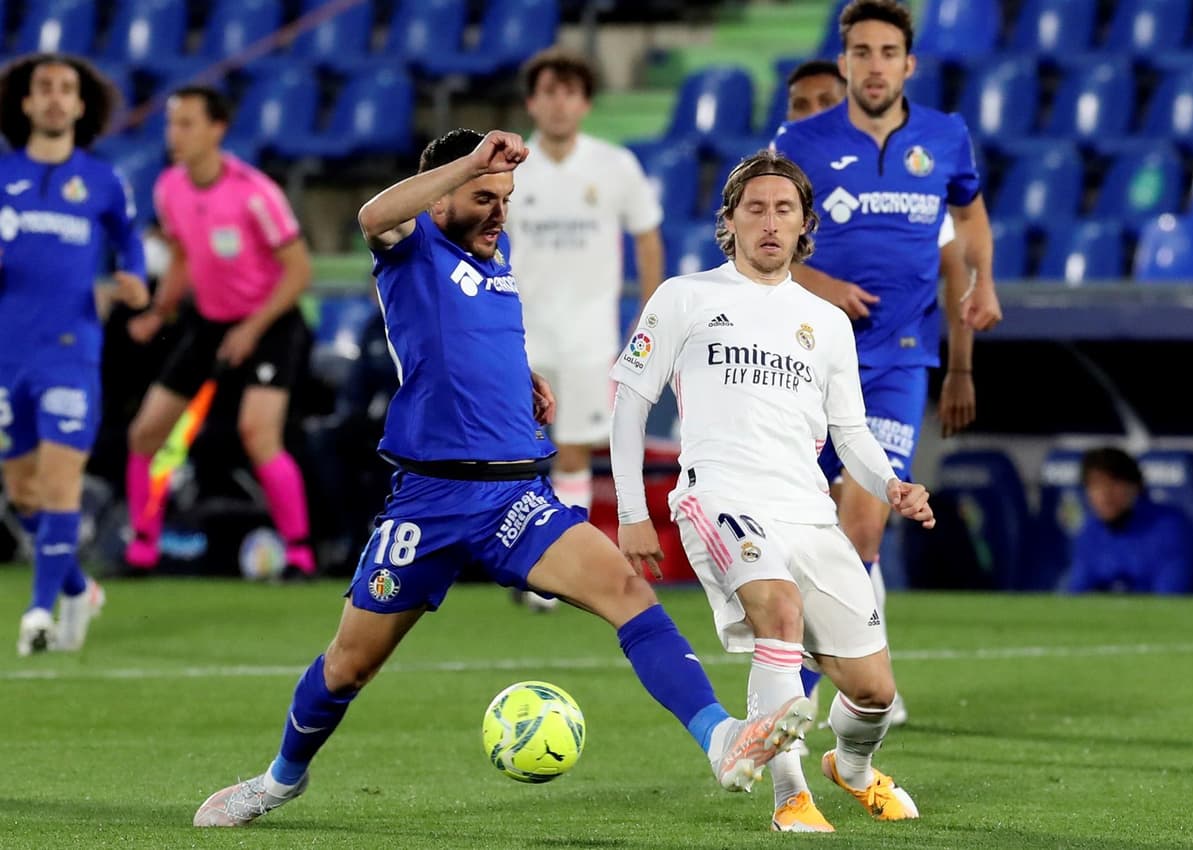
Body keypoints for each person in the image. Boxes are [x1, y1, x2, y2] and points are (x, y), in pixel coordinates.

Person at [191, 129, 815, 828]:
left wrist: (522, 379)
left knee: (626, 589)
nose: (498, 213)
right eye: (483, 197)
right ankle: (278, 781)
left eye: (506, 199)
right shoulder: (411, 247)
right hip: (428, 502)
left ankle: (721, 737)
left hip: (514, 495)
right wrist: (467, 165)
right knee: (348, 666)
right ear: (441, 195)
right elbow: (373, 217)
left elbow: (470, 334)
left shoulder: (497, 256)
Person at [612, 150, 935, 832]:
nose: (769, 221)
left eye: (783, 209)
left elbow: (851, 435)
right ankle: (789, 795)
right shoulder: (685, 296)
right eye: (754, 208)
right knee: (778, 612)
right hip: (719, 494)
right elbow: (629, 405)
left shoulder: (828, 322)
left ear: (804, 225)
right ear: (728, 222)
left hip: (808, 511)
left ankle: (848, 767)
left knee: (874, 692)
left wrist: (892, 484)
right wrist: (635, 513)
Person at [773, 0, 1003, 723]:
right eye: (861, 52)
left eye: (887, 52)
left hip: (899, 361)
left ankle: (805, 706)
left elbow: (968, 217)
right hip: (807, 358)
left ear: (909, 64)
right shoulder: (798, 140)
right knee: (801, 531)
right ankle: (831, 681)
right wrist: (823, 286)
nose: (875, 65)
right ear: (844, 63)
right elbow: (759, 237)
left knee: (863, 531)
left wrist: (984, 282)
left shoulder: (944, 138)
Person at [123, 85, 315, 578]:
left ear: (217, 129)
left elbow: (299, 272)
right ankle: (142, 549)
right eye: (171, 123)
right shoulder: (169, 188)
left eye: (187, 123)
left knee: (258, 433)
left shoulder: (255, 192)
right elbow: (184, 257)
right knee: (146, 433)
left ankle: (299, 554)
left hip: (271, 321)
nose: (175, 134)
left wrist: (252, 329)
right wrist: (160, 310)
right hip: (209, 321)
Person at [0, 53, 149, 656]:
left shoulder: (104, 181)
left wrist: (135, 280)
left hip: (72, 351)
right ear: (27, 103)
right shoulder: (2, 175)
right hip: (9, 354)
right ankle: (79, 586)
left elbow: (129, 244)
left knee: (60, 485)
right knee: (23, 494)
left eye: (67, 89)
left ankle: (39, 613)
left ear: (82, 105)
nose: (57, 98)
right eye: (45, 89)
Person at [508, 48, 664, 519]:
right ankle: (523, 555)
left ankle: (557, 574)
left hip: (589, 337)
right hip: (520, 334)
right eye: (549, 93)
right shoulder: (509, 168)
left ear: (586, 104)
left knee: (574, 451)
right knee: (516, 452)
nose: (559, 104)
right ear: (532, 102)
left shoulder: (615, 165)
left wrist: (648, 317)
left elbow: (648, 238)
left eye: (570, 94)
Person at [1065, 447, 1193, 594]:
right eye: (1096, 485)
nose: (1105, 494)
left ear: (1135, 487)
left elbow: (1170, 596)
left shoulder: (1170, 527)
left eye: (1114, 483)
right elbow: (1074, 593)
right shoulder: (1090, 529)